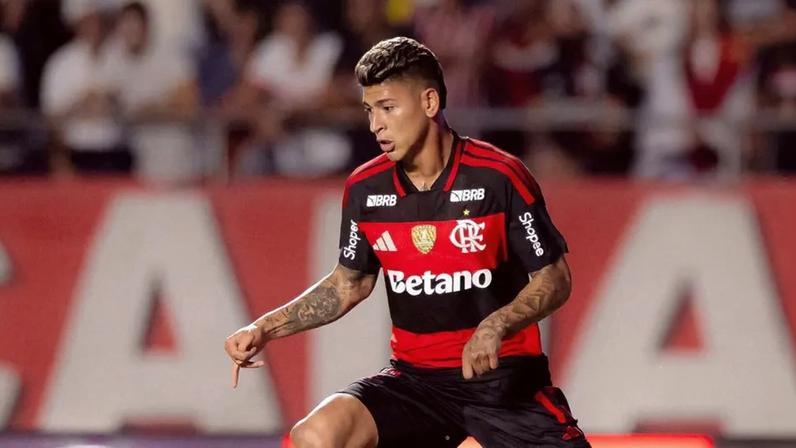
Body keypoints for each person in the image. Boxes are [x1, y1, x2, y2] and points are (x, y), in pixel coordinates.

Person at [224, 37, 590, 448]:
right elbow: (349, 283)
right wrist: (263, 328)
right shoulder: (365, 188)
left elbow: (555, 277)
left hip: (503, 382)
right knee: (316, 435)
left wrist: (496, 325)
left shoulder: (499, 177)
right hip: (416, 384)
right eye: (368, 110)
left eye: (387, 108)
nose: (374, 125)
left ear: (430, 103)